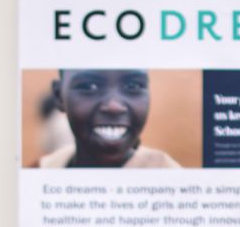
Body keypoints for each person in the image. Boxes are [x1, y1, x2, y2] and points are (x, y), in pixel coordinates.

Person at [36, 68, 181, 169]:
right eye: (89, 86)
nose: (114, 106)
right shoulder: (40, 173)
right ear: (59, 96)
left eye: (133, 85)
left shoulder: (176, 188)